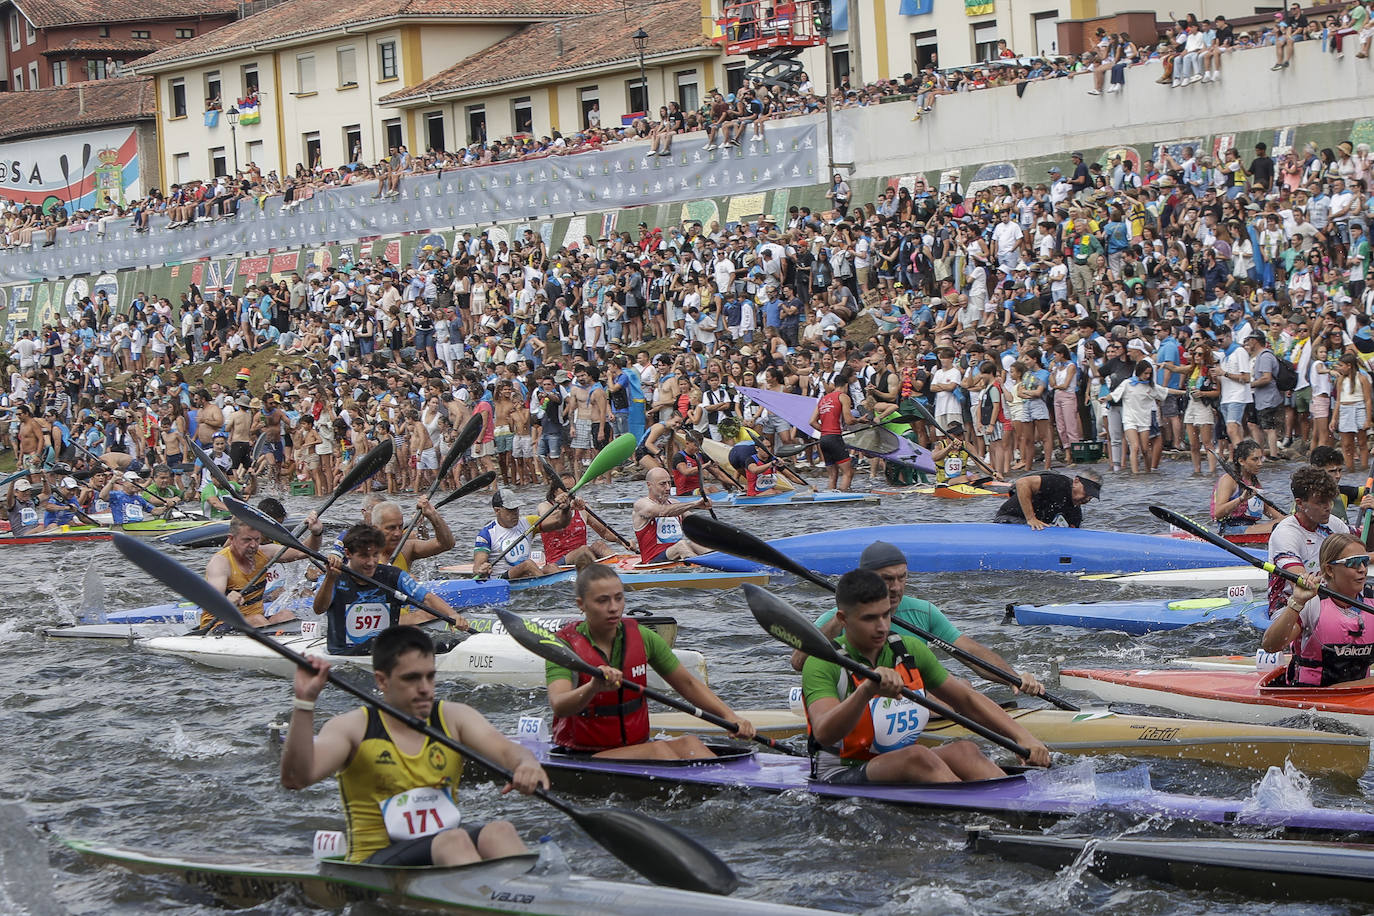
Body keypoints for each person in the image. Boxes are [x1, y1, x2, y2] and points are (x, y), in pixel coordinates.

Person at [281, 626, 549, 866]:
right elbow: (295, 778)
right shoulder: (353, 728)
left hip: (446, 855)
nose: (425, 689)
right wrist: (304, 703)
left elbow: (506, 750)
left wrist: (525, 764)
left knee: (499, 831)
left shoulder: (454, 718)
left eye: (429, 677)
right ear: (382, 681)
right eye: (411, 678)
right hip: (377, 864)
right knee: (453, 840)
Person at [801, 569, 1051, 784]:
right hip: (840, 772)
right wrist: (866, 691)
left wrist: (1023, 737)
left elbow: (966, 699)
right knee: (918, 756)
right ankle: (983, 813)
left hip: (902, 762)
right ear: (843, 619)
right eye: (869, 618)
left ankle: (1021, 803)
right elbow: (824, 733)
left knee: (965, 750)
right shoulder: (823, 662)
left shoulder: (907, 649)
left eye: (886, 615)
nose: (882, 627)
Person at [546, 565, 755, 758]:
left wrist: (730, 717)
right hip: (583, 754)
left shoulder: (642, 636)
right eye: (602, 601)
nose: (614, 608)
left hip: (637, 745)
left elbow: (688, 684)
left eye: (619, 598)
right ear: (581, 605)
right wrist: (593, 687)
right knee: (659, 749)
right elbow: (559, 705)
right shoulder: (564, 646)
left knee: (691, 744)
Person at [790, 540, 1044, 697]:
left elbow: (969, 652)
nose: (897, 587)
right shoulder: (837, 617)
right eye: (887, 579)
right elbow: (799, 663)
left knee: (961, 684)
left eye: (902, 577)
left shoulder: (923, 611)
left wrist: (1014, 678)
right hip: (859, 698)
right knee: (959, 690)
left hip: (914, 696)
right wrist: (839, 622)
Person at [314, 523, 466, 655]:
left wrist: (452, 615)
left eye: (375, 555)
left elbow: (426, 598)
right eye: (364, 556)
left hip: (386, 649)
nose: (371, 562)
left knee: (447, 644)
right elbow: (319, 608)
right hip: (345, 652)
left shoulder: (392, 575)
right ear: (348, 553)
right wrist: (330, 578)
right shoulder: (333, 576)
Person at [1261, 533, 1374, 686]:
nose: (1362, 570)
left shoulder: (1371, 601)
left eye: (1365, 562)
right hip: (1310, 698)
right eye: (1353, 563)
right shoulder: (1312, 604)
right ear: (1330, 569)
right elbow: (1270, 646)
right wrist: (1296, 603)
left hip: (1359, 695)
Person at [203, 515, 324, 628]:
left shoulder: (265, 553)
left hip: (256, 622)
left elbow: (304, 551)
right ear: (231, 539)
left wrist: (316, 533)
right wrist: (226, 601)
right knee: (257, 620)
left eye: (256, 539)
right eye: (247, 540)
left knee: (286, 615)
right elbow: (212, 601)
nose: (253, 545)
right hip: (219, 624)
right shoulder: (220, 563)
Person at [1266, 465, 1351, 616]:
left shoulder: (1334, 524)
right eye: (1320, 502)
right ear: (1300, 503)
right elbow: (1301, 583)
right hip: (1289, 605)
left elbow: (1357, 557)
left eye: (1330, 501)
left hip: (1331, 598)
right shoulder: (1285, 533)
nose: (1328, 508)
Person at [471, 488, 564, 579]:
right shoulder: (487, 534)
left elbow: (559, 523)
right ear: (497, 510)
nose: (515, 513)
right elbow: (477, 567)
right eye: (510, 510)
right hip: (501, 579)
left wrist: (566, 508)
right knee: (528, 564)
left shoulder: (528, 522)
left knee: (551, 567)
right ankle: (546, 588)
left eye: (516, 509)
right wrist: (482, 569)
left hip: (527, 573)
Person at [536, 473, 619, 568]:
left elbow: (604, 532)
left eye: (573, 489)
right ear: (555, 491)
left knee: (599, 545)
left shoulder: (582, 509)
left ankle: (618, 569)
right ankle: (598, 574)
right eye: (566, 489)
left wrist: (621, 541)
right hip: (557, 563)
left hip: (584, 558)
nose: (570, 493)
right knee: (583, 550)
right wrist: (567, 508)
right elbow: (552, 519)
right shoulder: (544, 507)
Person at [631, 467, 709, 563]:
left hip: (675, 555)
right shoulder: (641, 504)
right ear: (649, 485)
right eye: (663, 484)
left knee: (697, 544)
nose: (668, 488)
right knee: (682, 545)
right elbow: (662, 511)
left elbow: (695, 522)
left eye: (669, 483)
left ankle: (719, 564)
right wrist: (695, 504)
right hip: (652, 560)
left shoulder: (674, 503)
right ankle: (699, 570)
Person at [1210, 438, 1283, 536]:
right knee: (1280, 526)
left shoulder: (1255, 482)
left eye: (1261, 458)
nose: (1260, 463)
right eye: (1255, 459)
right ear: (1241, 461)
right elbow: (1217, 513)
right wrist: (1241, 499)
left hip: (1250, 527)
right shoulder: (1229, 480)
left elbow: (1267, 510)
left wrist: (1291, 520)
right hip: (1230, 530)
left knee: (1286, 522)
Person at [992, 470, 1101, 529]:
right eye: (1086, 492)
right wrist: (1031, 518)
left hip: (1036, 529)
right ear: (1076, 481)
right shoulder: (1058, 483)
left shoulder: (1075, 513)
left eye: (1091, 495)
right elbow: (1022, 483)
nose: (1088, 498)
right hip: (1008, 519)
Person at [370, 497, 455, 573]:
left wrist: (432, 515)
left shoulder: (406, 548)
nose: (398, 533)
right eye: (391, 528)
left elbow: (446, 544)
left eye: (400, 527)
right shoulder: (362, 554)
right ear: (375, 529)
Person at [809, 367, 856, 492]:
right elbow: (849, 420)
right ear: (846, 385)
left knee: (832, 476)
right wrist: (860, 420)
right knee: (848, 472)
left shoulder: (823, 399)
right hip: (835, 438)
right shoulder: (843, 397)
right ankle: (843, 497)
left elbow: (812, 422)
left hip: (823, 439)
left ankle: (830, 497)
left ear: (834, 385)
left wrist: (825, 430)